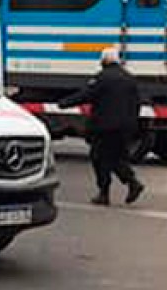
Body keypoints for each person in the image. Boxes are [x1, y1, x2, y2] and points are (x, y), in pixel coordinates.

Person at [56, 47, 145, 205]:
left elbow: (85, 95)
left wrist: (64, 103)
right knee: (116, 157)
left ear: (104, 61)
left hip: (105, 127)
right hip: (126, 127)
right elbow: (137, 103)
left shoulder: (102, 78)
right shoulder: (130, 79)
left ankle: (107, 192)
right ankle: (131, 183)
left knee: (99, 158)